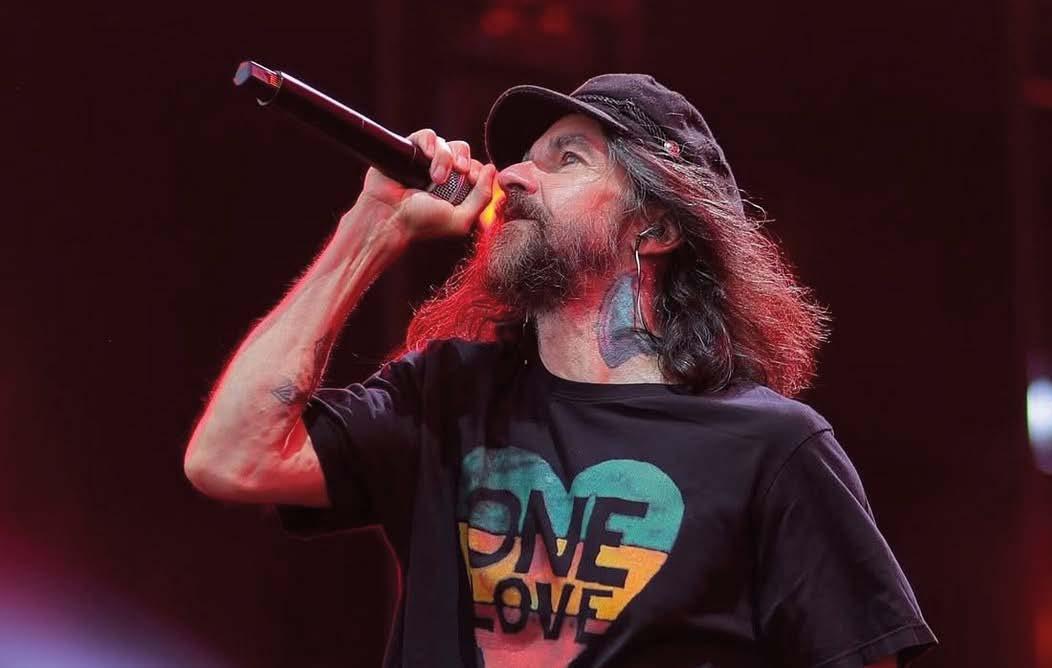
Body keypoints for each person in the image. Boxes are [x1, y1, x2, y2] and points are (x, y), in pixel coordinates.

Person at [184, 73, 938, 667]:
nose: (512, 176)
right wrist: (370, 229)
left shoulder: (772, 450)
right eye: (523, 157)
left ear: (658, 225)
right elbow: (231, 458)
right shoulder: (447, 397)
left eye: (565, 159)